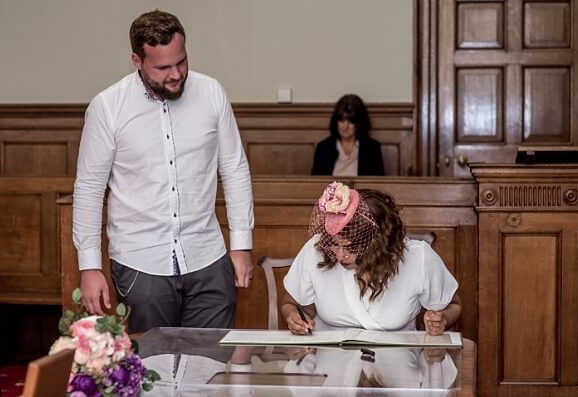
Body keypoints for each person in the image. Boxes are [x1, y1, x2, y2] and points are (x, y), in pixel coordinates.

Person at [73, 10, 254, 333]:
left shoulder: (211, 92)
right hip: (140, 261)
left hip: (207, 256)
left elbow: (234, 168)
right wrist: (89, 268)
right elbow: (89, 187)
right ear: (136, 60)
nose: (176, 74)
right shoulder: (108, 107)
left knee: (209, 369)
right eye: (163, 67)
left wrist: (241, 246)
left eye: (181, 61)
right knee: (153, 371)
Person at [281, 182, 460, 335]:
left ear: (380, 241)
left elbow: (454, 304)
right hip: (330, 367)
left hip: (397, 366)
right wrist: (293, 316)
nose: (340, 254)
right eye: (335, 244)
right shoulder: (317, 249)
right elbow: (292, 303)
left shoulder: (418, 257)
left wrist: (442, 319)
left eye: (351, 247)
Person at [311, 94, 386, 176]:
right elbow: (316, 184)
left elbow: (377, 184)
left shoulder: (372, 149)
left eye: (351, 121)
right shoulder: (323, 148)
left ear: (359, 123)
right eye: (341, 120)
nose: (345, 126)